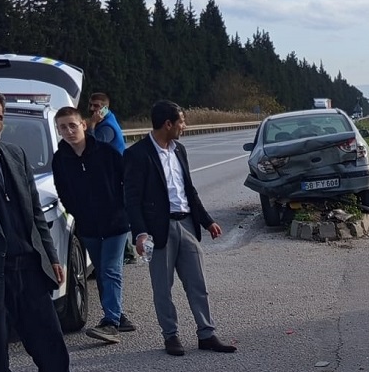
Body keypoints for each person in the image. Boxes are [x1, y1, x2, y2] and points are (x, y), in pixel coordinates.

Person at [0, 84, 104, 372]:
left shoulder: (14, 155)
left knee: (50, 343)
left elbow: (34, 214)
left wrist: (51, 256)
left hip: (29, 268)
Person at [123, 99, 236, 356]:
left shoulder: (179, 150)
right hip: (157, 230)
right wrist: (140, 234)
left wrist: (207, 221)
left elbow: (189, 190)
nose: (184, 126)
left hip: (186, 224)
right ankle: (170, 336)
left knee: (198, 282)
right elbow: (131, 199)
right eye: (181, 121)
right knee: (163, 287)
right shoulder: (137, 154)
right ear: (168, 124)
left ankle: (206, 334)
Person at [52, 106, 134, 343]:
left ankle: (110, 323)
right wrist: (76, 212)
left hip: (116, 223)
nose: (68, 131)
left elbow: (126, 182)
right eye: (63, 127)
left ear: (83, 125)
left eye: (72, 125)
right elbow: (62, 191)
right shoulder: (60, 159)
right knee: (101, 272)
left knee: (110, 269)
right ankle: (118, 315)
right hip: (88, 226)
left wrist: (124, 210)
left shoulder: (106, 153)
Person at [86, 92, 136, 265]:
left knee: (114, 215)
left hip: (114, 178)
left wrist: (91, 125)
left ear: (105, 108)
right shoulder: (107, 119)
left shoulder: (106, 127)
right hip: (111, 175)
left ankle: (125, 253)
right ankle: (127, 252)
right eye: (91, 105)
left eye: (97, 106)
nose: (92, 109)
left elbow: (92, 149)